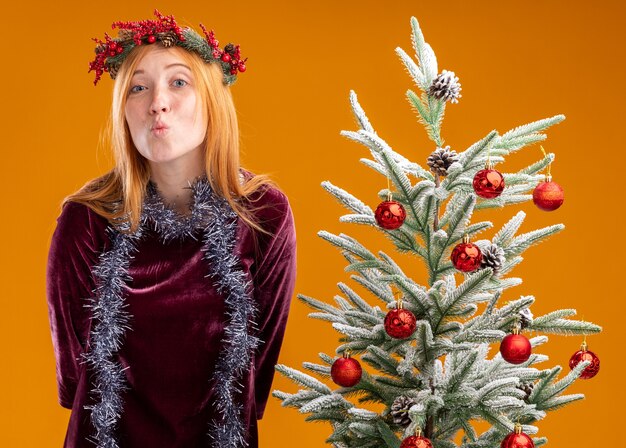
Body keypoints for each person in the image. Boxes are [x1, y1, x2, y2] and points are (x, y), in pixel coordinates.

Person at [45, 10, 297, 448]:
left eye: (178, 82)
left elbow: (259, 367)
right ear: (123, 110)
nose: (156, 102)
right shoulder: (86, 219)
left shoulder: (263, 213)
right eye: (138, 88)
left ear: (212, 99)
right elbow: (74, 378)